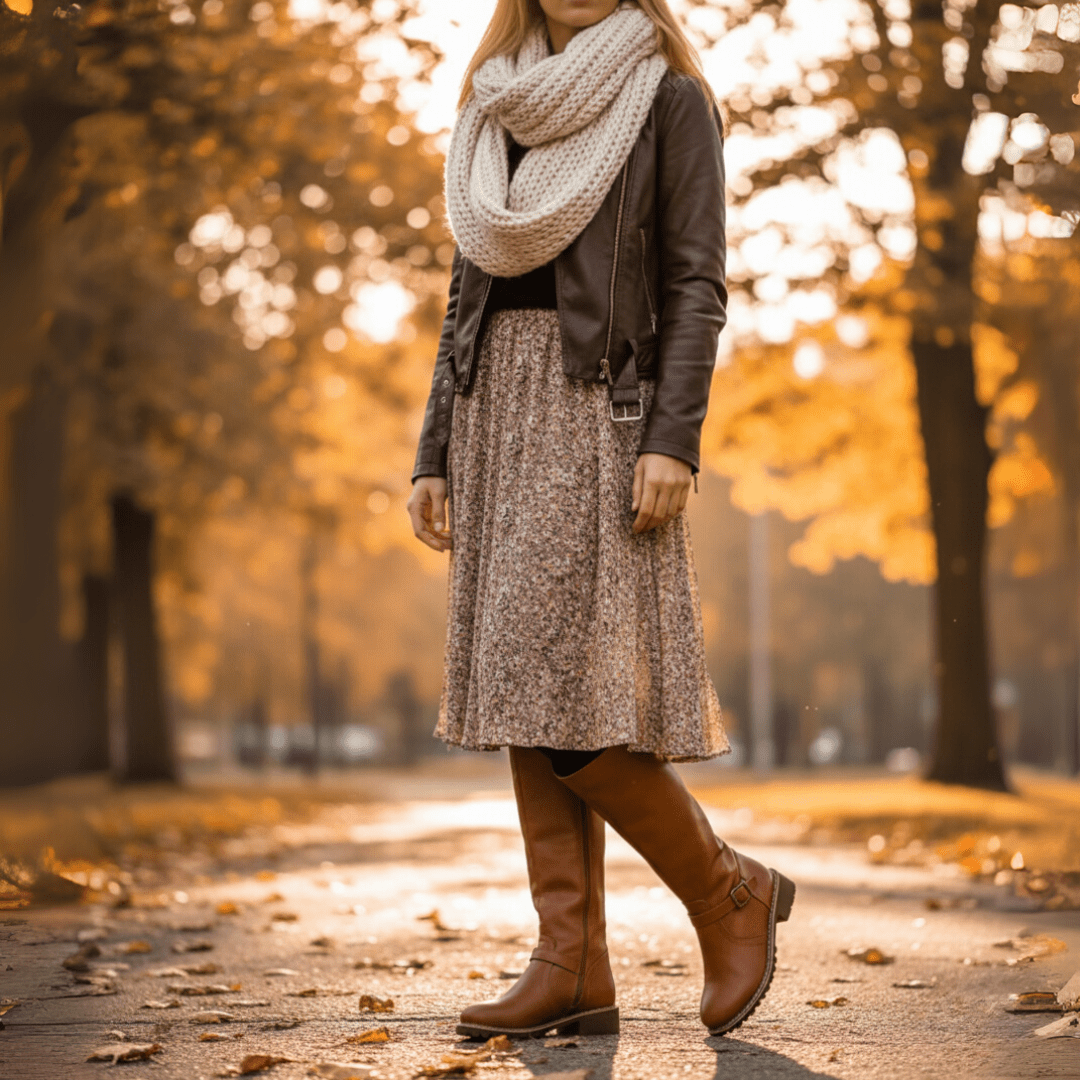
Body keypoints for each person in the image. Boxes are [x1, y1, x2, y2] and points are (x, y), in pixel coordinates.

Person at [407, 0, 794, 1040]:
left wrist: (673, 435)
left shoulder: (671, 100)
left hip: (599, 417)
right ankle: (571, 961)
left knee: (555, 682)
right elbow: (463, 294)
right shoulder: (494, 106)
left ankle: (726, 892)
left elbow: (696, 281)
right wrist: (435, 447)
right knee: (531, 687)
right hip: (494, 419)